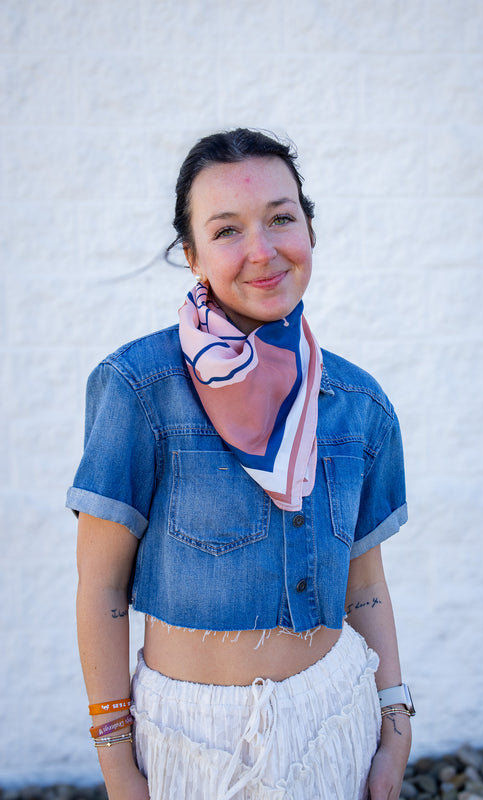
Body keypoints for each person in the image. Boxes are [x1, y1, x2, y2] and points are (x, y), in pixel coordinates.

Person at [68, 128, 412, 800]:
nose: (262, 251)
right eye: (226, 230)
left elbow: (363, 581)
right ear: (191, 254)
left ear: (309, 228)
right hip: (191, 742)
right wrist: (116, 758)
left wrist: (393, 718)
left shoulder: (359, 402)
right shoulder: (139, 388)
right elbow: (100, 588)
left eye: (281, 218)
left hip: (335, 717)